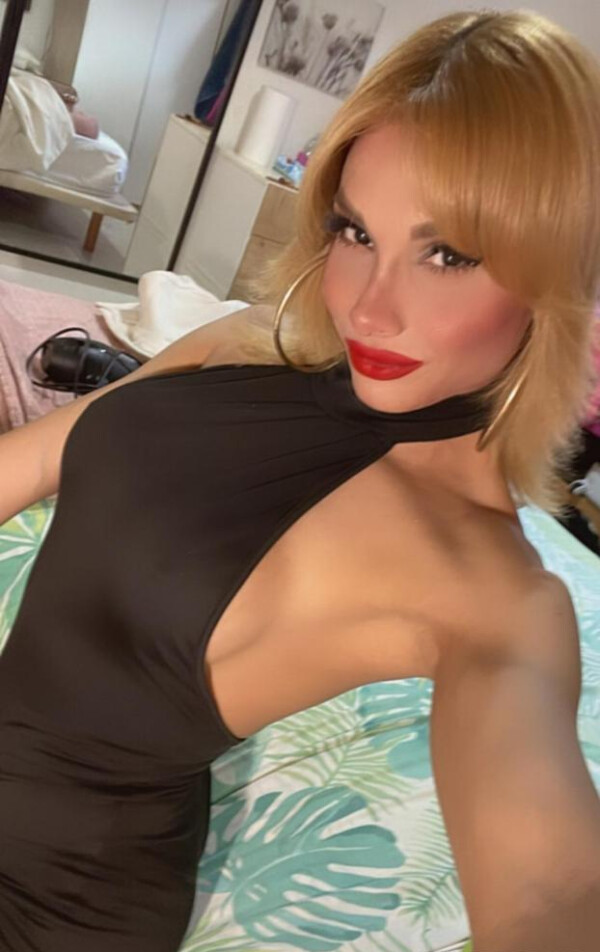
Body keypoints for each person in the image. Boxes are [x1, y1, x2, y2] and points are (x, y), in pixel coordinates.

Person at [1, 8, 600, 952]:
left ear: (555, 277)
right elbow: (35, 456)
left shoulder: (495, 595)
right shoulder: (246, 341)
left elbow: (549, 893)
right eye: (356, 232)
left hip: (55, 901)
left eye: (448, 254)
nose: (370, 308)